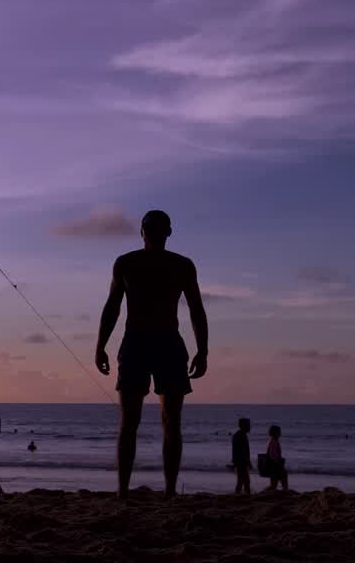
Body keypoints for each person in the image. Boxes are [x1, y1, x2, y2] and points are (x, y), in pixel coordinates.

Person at [95, 210, 208, 499]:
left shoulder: (181, 266)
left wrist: (203, 349)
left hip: (168, 343)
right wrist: (100, 345)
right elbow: (112, 307)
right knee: (131, 421)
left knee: (170, 420)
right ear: (142, 231)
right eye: (150, 228)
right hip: (135, 343)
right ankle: (123, 491)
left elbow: (196, 308)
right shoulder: (126, 264)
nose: (155, 233)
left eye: (160, 228)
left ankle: (169, 491)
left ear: (168, 232)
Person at [262, 425, 288, 491]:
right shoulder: (274, 442)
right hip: (275, 465)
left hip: (274, 465)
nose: (280, 433)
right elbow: (273, 455)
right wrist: (279, 462)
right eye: (279, 432)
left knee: (274, 484)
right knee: (282, 480)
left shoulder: (273, 441)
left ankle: (264, 493)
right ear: (275, 433)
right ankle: (285, 493)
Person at [232, 418, 252, 495]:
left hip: (241, 461)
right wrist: (246, 461)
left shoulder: (242, 435)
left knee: (243, 481)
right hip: (241, 462)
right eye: (248, 425)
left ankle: (242, 494)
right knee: (243, 481)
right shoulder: (239, 435)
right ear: (243, 425)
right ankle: (242, 494)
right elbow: (239, 451)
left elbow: (245, 450)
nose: (249, 427)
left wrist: (248, 461)